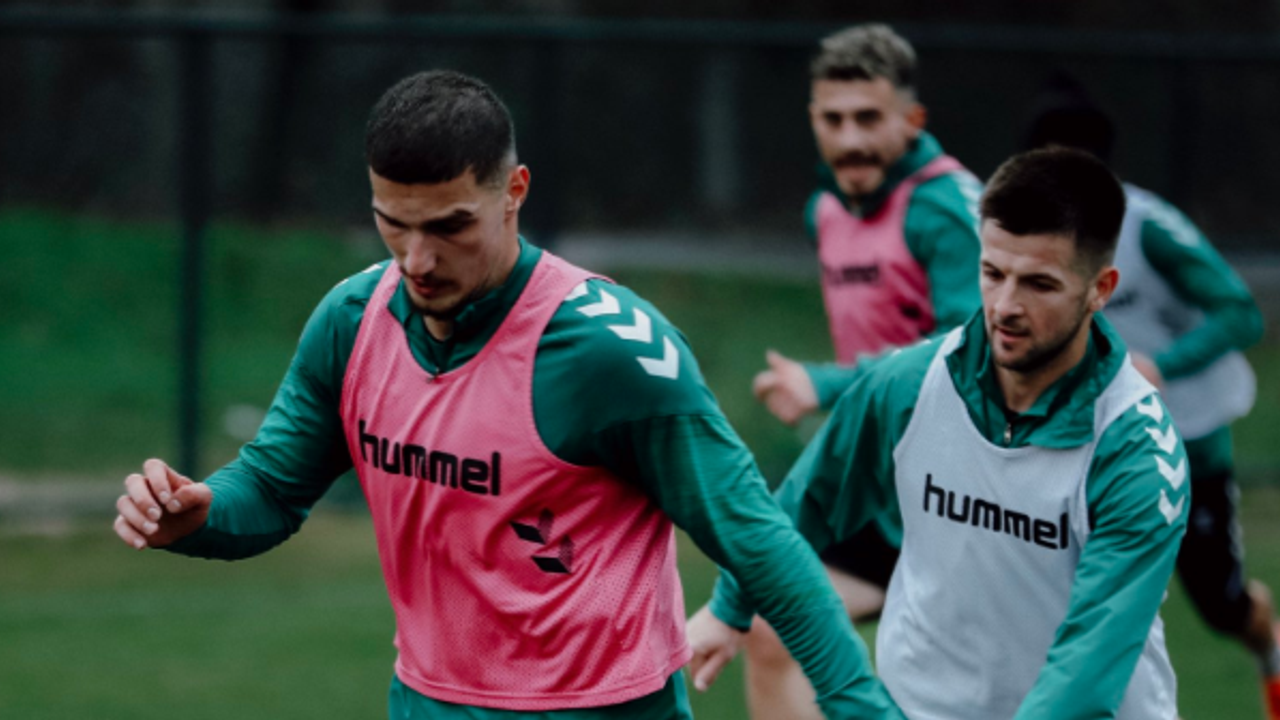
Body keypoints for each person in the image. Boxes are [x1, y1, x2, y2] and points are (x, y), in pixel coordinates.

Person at [110, 70, 904, 719]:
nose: (417, 260)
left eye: (450, 226)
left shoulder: (611, 352)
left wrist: (858, 705)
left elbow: (757, 538)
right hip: (426, 703)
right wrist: (201, 514)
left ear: (514, 190)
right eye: (394, 223)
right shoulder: (351, 321)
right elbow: (271, 488)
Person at [688, 147, 1190, 719]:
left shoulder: (1134, 449)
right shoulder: (909, 384)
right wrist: (729, 609)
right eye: (993, 274)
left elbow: (1089, 666)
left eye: (1039, 284)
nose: (1006, 306)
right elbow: (809, 503)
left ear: (1101, 288)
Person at [743, 23, 982, 719]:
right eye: (833, 119)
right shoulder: (826, 209)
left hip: (967, 492)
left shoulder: (943, 207)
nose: (850, 139)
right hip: (882, 484)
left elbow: (970, 351)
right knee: (770, 628)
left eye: (869, 118)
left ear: (913, 120)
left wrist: (825, 385)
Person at [1025, 77, 1280, 718]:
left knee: (1222, 607)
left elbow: (1241, 314)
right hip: (1097, 441)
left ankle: (1270, 647)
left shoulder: (1147, 228)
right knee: (1063, 594)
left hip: (1188, 438)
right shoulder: (1032, 238)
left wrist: (1159, 366)